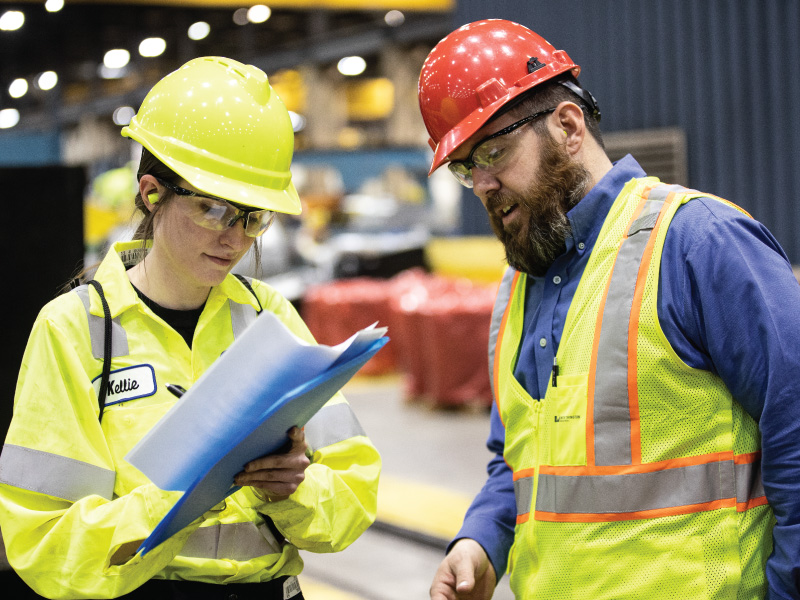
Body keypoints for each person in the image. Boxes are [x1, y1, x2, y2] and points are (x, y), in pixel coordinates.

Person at [417, 19, 800, 600]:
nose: (485, 185)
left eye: (494, 151)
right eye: (467, 168)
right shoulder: (517, 287)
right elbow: (519, 462)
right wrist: (482, 540)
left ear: (568, 126)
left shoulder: (699, 243)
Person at [0, 56, 381, 599]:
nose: (233, 238)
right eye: (212, 209)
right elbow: (40, 540)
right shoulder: (74, 330)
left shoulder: (269, 318)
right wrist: (174, 498)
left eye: (253, 218)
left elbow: (353, 500)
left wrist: (293, 489)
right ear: (153, 193)